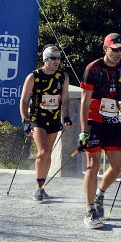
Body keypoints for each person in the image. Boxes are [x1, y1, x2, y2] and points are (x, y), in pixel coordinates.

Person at [79, 33, 121, 229]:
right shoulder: (93, 68)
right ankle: (90, 210)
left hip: (112, 120)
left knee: (118, 166)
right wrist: (83, 130)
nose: (118, 53)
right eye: (114, 49)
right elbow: (84, 102)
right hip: (93, 121)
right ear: (105, 48)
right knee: (93, 165)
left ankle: (99, 195)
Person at [20, 44, 72, 201]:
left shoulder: (62, 77)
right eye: (53, 59)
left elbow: (65, 99)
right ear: (45, 60)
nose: (57, 62)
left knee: (48, 153)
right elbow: (23, 100)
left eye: (59, 59)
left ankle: (42, 186)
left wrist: (67, 116)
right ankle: (38, 187)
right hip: (37, 120)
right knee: (42, 152)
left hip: (54, 119)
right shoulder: (34, 76)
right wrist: (25, 120)